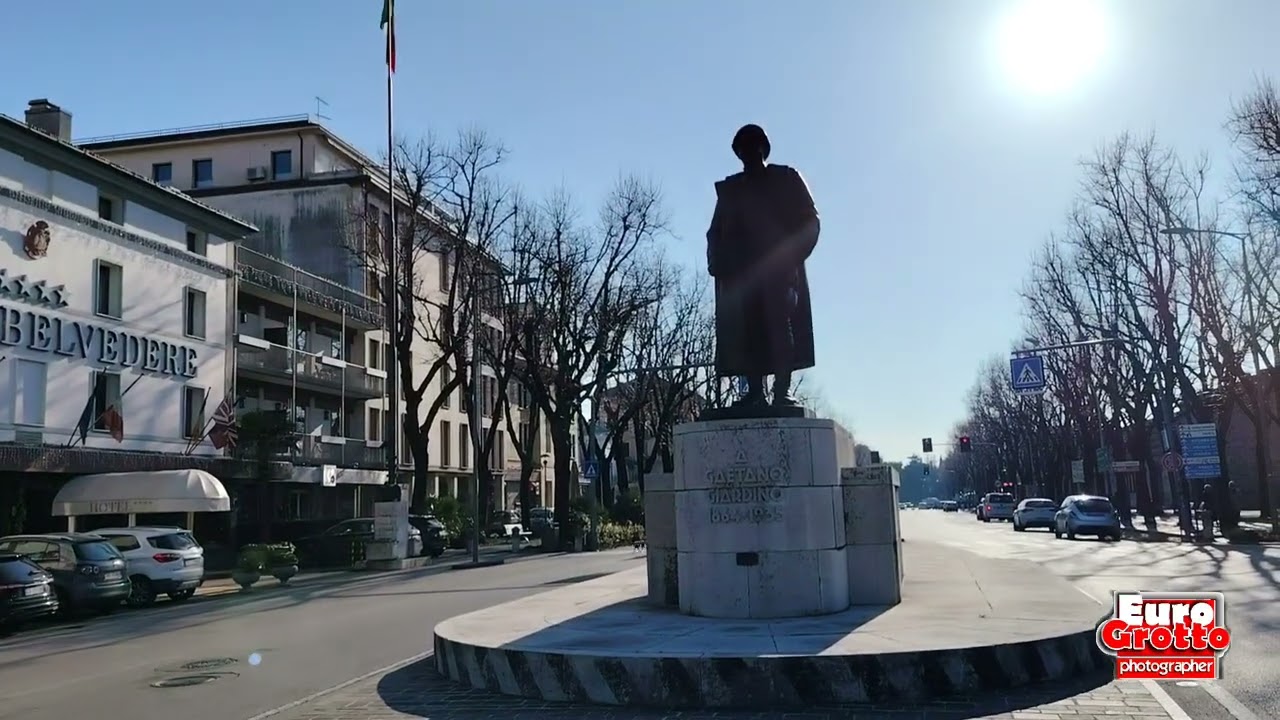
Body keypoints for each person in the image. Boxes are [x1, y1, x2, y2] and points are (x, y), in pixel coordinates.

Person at [705, 124, 821, 408]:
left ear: (763, 148)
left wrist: (791, 256)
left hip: (778, 270)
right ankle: (755, 391)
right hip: (743, 273)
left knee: (780, 328)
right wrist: (718, 262)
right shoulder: (731, 190)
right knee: (749, 332)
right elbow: (715, 231)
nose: (748, 152)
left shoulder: (786, 178)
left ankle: (782, 390)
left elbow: (810, 220)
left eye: (753, 145)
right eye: (742, 148)